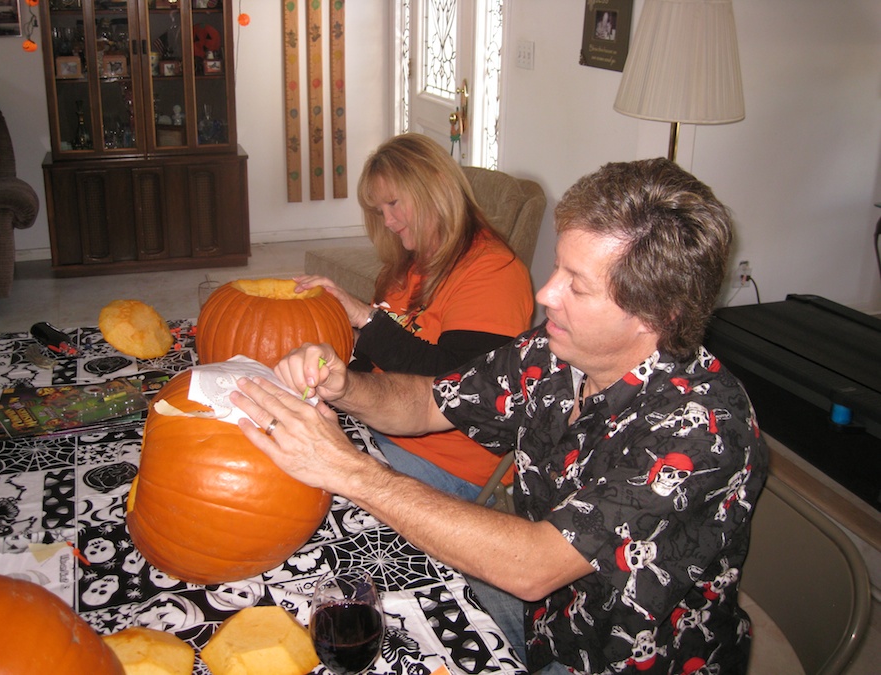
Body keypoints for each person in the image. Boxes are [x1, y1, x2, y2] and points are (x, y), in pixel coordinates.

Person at [231, 158, 768, 674]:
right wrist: (346, 386)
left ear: (659, 312)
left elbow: (535, 566)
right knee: (355, 587)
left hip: (620, 659)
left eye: (576, 284)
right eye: (558, 266)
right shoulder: (555, 353)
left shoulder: (702, 426)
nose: (545, 293)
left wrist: (348, 470)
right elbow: (429, 402)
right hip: (545, 620)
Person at [294, 133, 534, 501]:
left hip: (449, 466)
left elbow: (459, 385)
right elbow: (375, 360)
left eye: (393, 203)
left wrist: (365, 317)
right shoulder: (411, 264)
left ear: (435, 188)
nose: (387, 221)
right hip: (382, 424)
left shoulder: (493, 270)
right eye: (379, 211)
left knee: (300, 487)